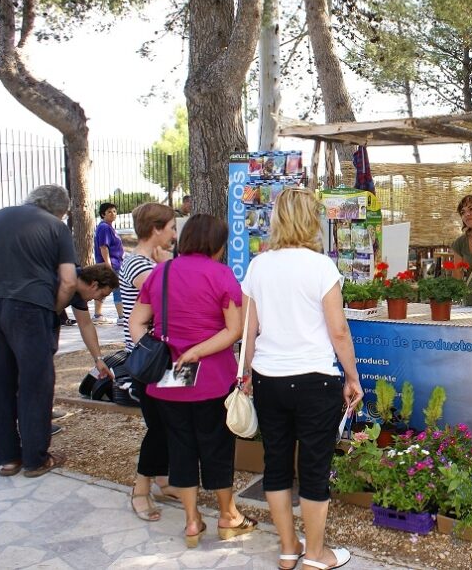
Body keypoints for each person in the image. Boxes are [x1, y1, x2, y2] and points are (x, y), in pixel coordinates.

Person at [240, 187, 362, 570]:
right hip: (314, 379)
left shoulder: (259, 266)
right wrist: (352, 377)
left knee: (276, 464)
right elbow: (338, 330)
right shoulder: (321, 266)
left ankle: (288, 548)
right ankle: (316, 554)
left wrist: (246, 373)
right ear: (311, 220)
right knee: (313, 468)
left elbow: (248, 329)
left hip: (269, 377)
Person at [129, 214, 254, 548]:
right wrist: (197, 350)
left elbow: (136, 321)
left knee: (180, 447)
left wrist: (157, 350)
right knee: (218, 446)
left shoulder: (162, 272)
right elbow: (234, 330)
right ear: (217, 244)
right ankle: (228, 515)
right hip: (212, 377)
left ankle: (191, 520)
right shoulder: (221, 274)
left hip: (169, 376)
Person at [0, 185, 76, 478]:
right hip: (30, 306)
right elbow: (69, 281)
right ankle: (35, 459)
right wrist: (54, 309)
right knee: (35, 383)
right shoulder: (56, 227)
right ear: (60, 210)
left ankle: (7, 458)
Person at [119, 202, 179, 520]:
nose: (174, 235)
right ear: (155, 229)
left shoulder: (148, 263)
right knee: (160, 426)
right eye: (171, 228)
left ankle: (162, 479)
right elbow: (170, 294)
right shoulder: (138, 265)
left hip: (161, 357)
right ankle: (140, 490)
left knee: (168, 423)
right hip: (150, 361)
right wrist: (168, 266)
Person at [61, 264, 120, 380]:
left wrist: (98, 360)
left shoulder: (79, 294)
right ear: (94, 285)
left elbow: (86, 325)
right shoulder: (64, 278)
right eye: (102, 295)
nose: (100, 300)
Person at [93, 202, 126, 325]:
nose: (113, 214)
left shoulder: (107, 227)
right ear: (103, 214)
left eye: (114, 211)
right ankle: (121, 316)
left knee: (104, 288)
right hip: (112, 264)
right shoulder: (104, 228)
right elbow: (104, 247)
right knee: (117, 289)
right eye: (109, 212)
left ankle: (98, 315)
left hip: (113, 263)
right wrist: (108, 265)